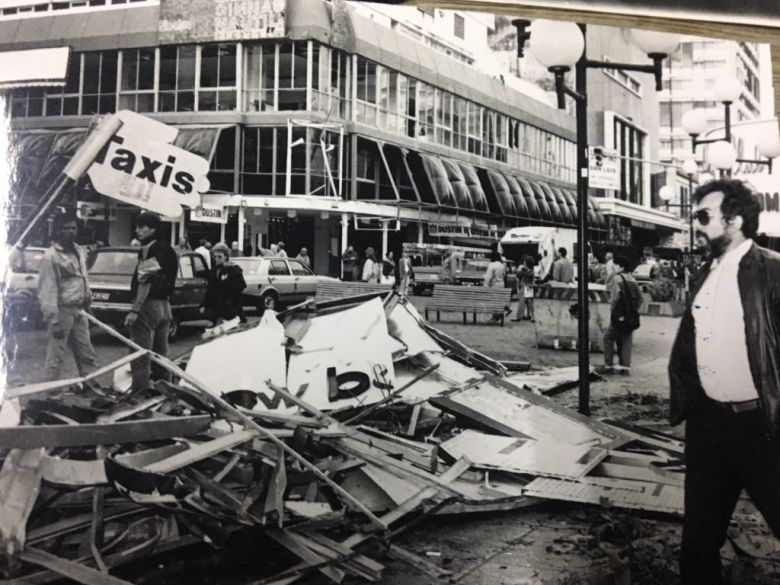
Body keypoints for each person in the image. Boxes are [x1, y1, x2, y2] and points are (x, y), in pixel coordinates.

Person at [668, 180, 780, 585]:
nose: (696, 225)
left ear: (734, 220)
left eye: (703, 217)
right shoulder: (705, 273)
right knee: (698, 541)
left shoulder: (772, 270)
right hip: (709, 427)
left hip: (763, 429)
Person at [37, 212, 97, 381]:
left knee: (86, 353)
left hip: (79, 311)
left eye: (73, 228)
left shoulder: (79, 251)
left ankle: (92, 389)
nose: (70, 232)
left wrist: (88, 305)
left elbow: (83, 279)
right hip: (61, 311)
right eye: (65, 228)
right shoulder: (50, 257)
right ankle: (52, 395)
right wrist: (54, 321)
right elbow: (47, 291)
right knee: (56, 355)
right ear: (57, 231)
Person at [124, 212, 179, 394]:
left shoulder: (149, 249)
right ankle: (166, 392)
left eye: (142, 226)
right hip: (165, 307)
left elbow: (145, 281)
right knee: (161, 355)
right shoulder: (169, 249)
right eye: (136, 226)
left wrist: (135, 310)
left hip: (148, 306)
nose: (137, 230)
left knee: (140, 354)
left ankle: (138, 394)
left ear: (153, 229)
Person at [599, 255, 642, 376]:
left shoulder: (616, 279)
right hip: (630, 316)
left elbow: (614, 298)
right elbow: (640, 298)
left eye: (616, 265)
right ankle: (625, 368)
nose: (614, 267)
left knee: (608, 337)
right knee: (626, 338)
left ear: (621, 266)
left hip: (619, 315)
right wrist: (632, 310)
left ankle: (608, 365)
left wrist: (615, 313)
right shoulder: (633, 279)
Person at [200, 243, 246, 325]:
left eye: (219, 257)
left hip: (231, 308)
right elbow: (210, 289)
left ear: (226, 256)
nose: (217, 259)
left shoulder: (234, 269)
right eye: (215, 257)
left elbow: (242, 285)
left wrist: (226, 282)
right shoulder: (215, 270)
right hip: (217, 309)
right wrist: (204, 304)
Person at [484, 251, 507, 323]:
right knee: (499, 301)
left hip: (495, 285)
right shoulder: (502, 265)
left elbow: (488, 277)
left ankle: (495, 317)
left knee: (494, 301)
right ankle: (497, 315)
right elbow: (504, 275)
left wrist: (486, 285)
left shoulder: (492, 265)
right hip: (501, 284)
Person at [512, 255, 536, 322]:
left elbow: (519, 275)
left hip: (525, 286)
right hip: (530, 287)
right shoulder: (532, 270)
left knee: (521, 302)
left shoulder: (526, 270)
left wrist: (519, 271)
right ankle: (533, 317)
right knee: (530, 303)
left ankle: (519, 316)